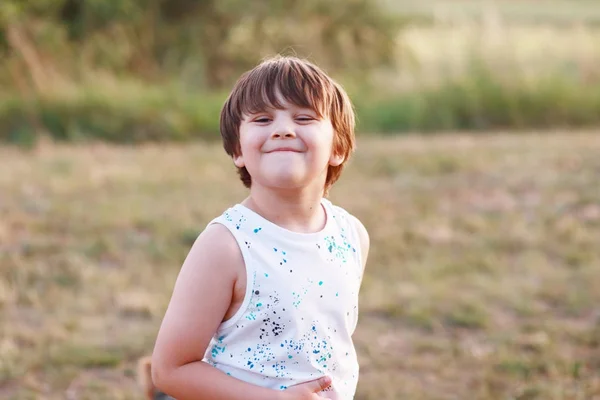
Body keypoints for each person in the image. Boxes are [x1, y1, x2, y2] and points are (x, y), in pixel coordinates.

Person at [151, 55, 370, 400]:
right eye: (263, 119)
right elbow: (170, 369)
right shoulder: (226, 245)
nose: (283, 129)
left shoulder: (351, 235)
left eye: (303, 117)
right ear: (238, 149)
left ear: (338, 148)